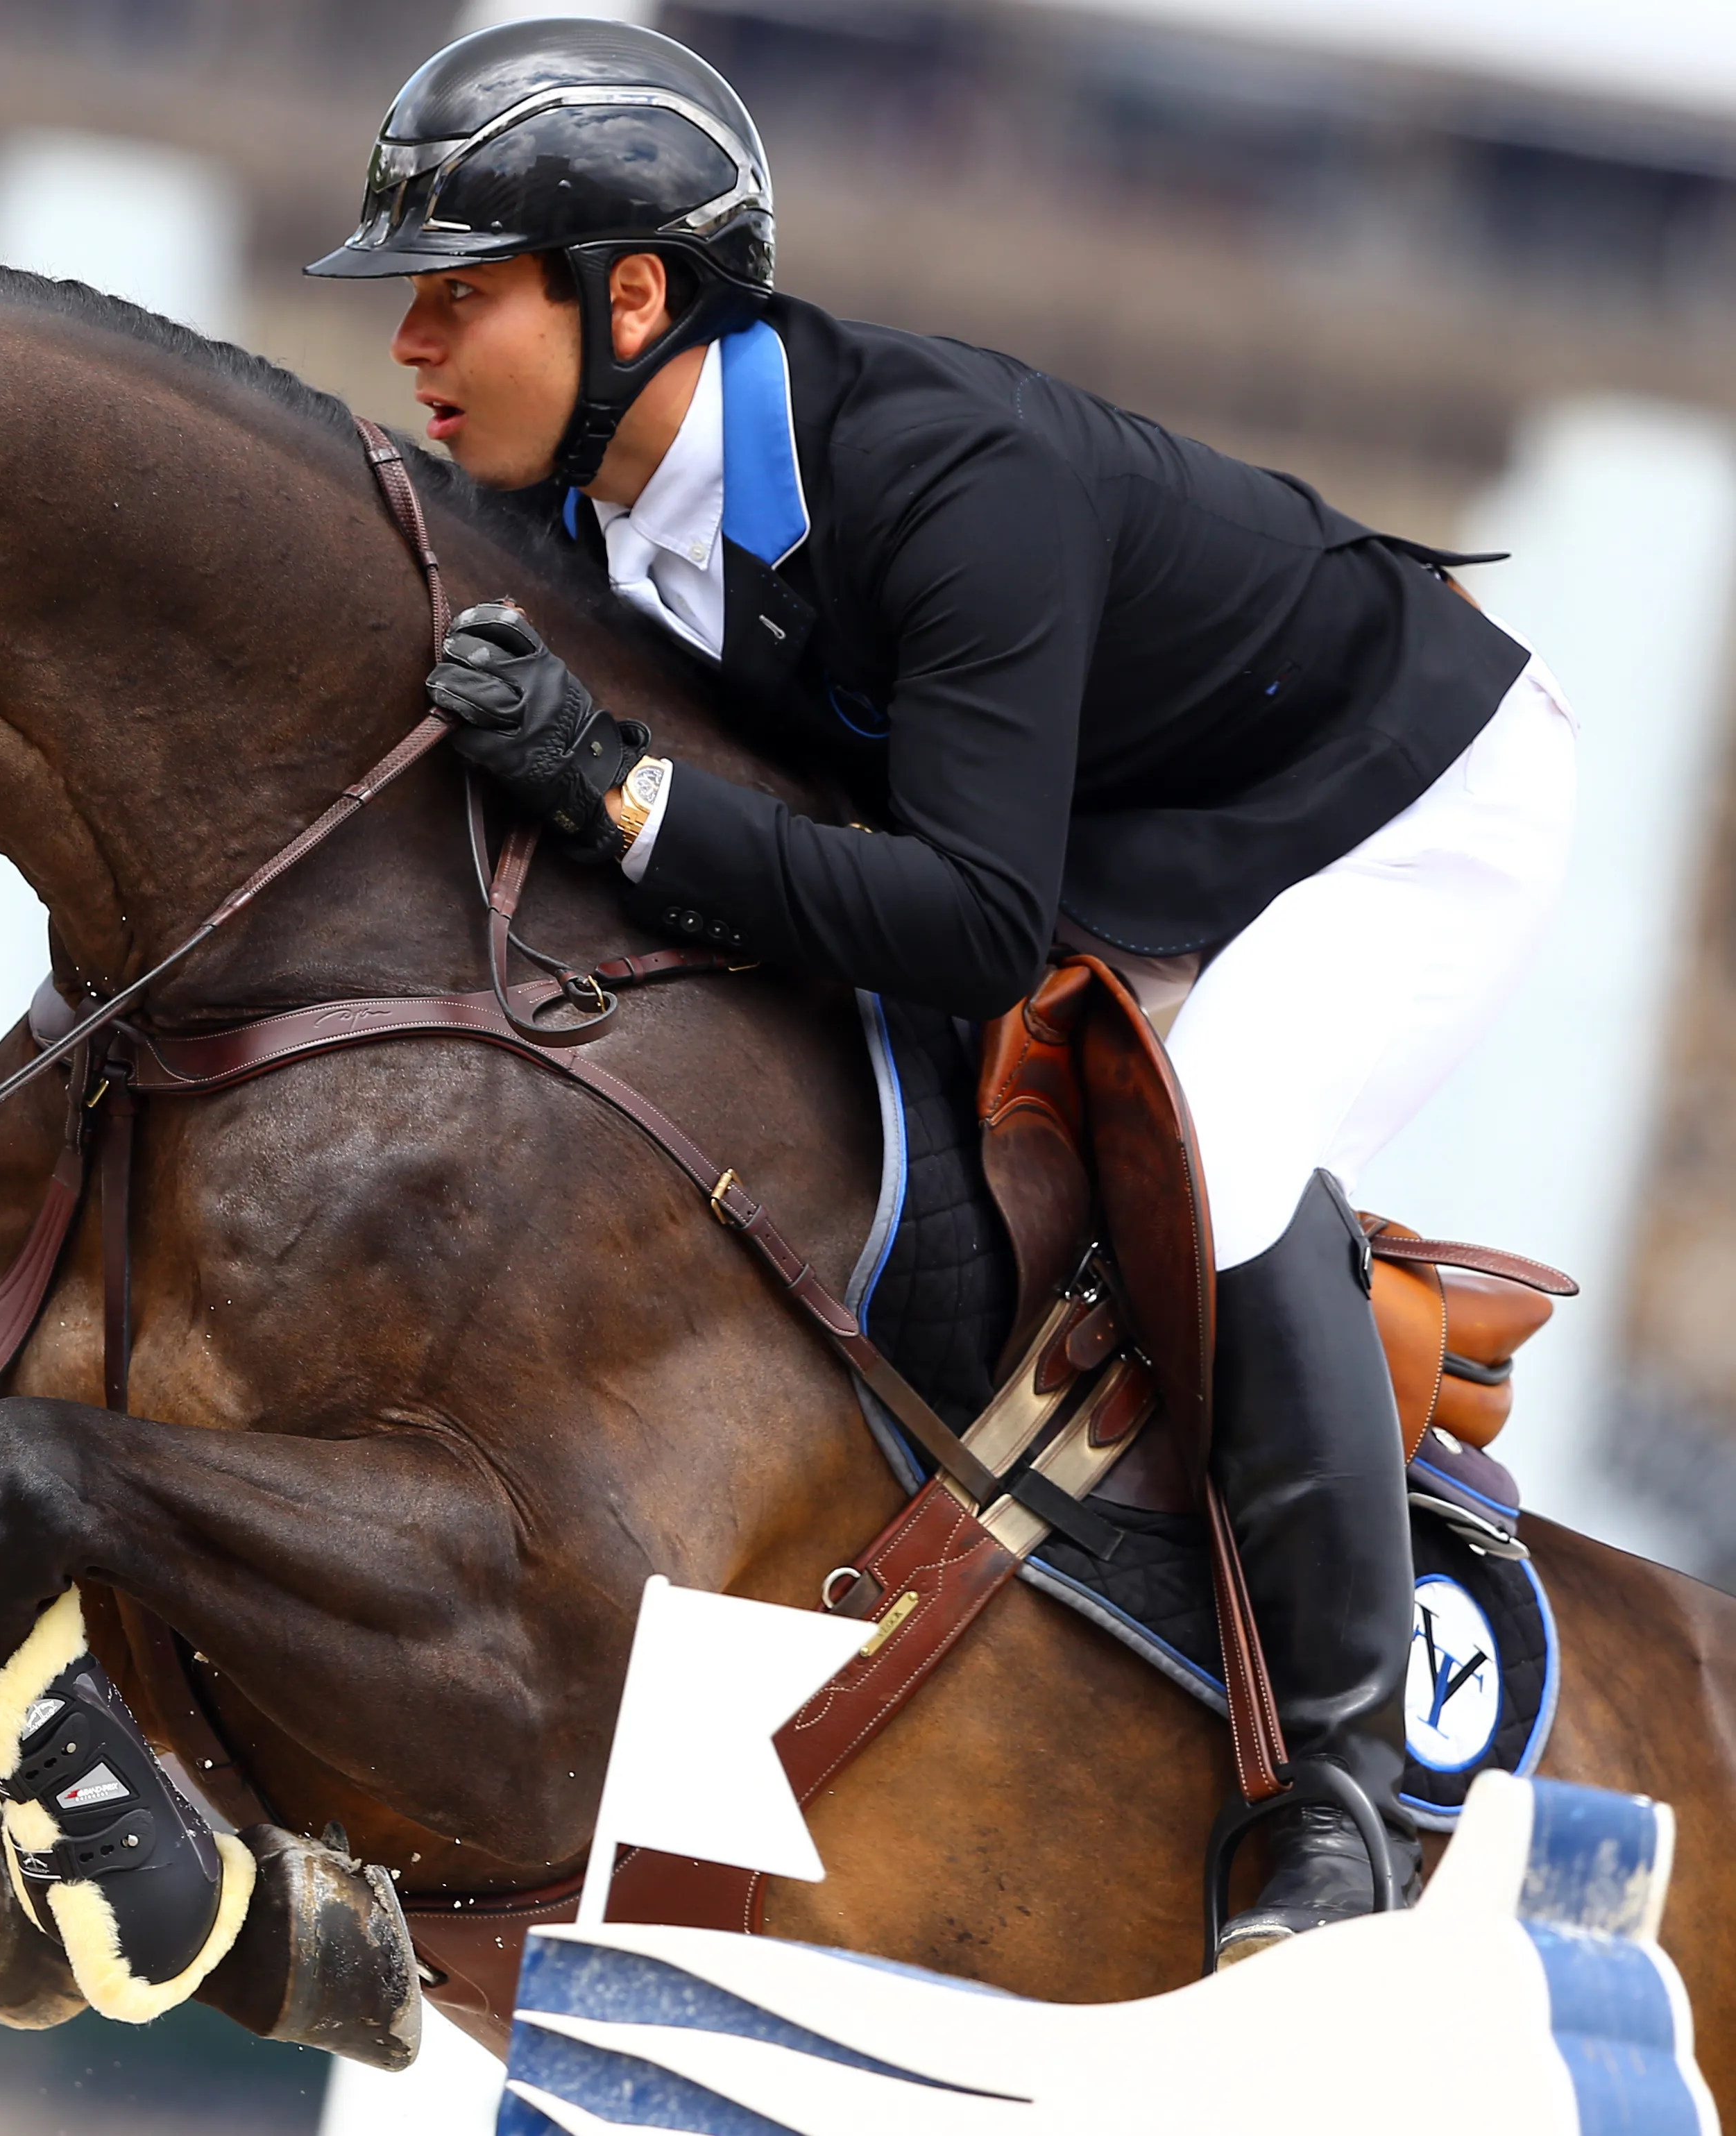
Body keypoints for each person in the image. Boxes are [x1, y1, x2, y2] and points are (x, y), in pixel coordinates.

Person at [309, 17, 1576, 1960]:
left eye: (455, 298)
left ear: (629, 294)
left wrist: (622, 789)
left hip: (1391, 802)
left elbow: (973, 918)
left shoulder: (938, 479)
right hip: (1116, 815)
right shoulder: (588, 501)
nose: (408, 346)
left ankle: (1341, 1795)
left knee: (1222, 1136)